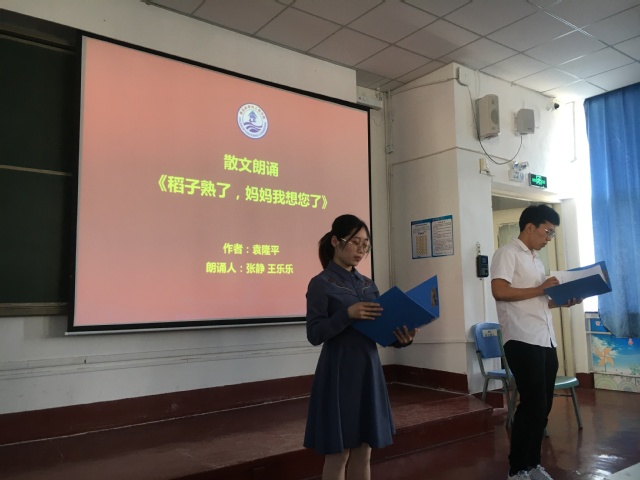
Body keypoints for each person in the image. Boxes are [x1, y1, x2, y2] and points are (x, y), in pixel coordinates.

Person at [303, 214, 417, 480]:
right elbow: (314, 333)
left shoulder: (368, 285)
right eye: (355, 242)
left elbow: (381, 331)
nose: (361, 250)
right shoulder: (321, 283)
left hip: (368, 370)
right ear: (335, 241)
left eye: (365, 245)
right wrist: (347, 314)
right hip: (338, 372)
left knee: (365, 451)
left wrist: (402, 338)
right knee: (339, 453)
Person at [490, 204, 581, 480]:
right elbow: (500, 291)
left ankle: (532, 465)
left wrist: (561, 301)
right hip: (521, 338)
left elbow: (538, 300)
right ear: (530, 227)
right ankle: (517, 469)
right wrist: (541, 288)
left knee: (543, 406)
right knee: (531, 404)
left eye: (552, 234)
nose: (549, 238)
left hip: (545, 338)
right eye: (548, 232)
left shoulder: (535, 260)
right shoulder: (507, 253)